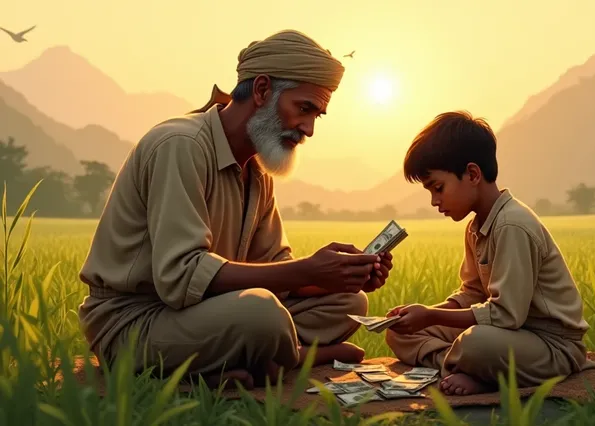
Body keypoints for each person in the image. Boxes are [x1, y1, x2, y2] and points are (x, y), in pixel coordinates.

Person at [76, 29, 394, 390]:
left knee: (350, 301)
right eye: (304, 108)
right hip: (136, 322)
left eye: (316, 115)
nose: (308, 129)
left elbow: (272, 270)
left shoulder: (257, 172)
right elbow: (180, 277)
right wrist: (306, 269)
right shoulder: (181, 145)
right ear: (261, 91)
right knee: (261, 313)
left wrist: (334, 277)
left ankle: (259, 359)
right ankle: (295, 355)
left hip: (202, 315)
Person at [384, 111, 595, 396]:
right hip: (509, 337)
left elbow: (506, 315)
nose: (435, 201)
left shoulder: (512, 225)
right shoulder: (476, 227)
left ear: (472, 174)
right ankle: (462, 367)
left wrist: (431, 316)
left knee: (477, 343)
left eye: (438, 188)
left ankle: (470, 368)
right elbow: (472, 293)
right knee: (399, 332)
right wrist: (422, 316)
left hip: (550, 345)